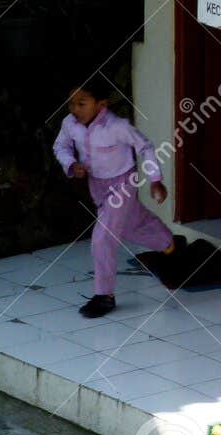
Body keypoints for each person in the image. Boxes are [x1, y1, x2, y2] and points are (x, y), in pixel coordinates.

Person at [52, 74, 178, 319]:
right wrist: (70, 164)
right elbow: (61, 146)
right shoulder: (69, 124)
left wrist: (155, 180)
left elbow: (145, 147)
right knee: (133, 224)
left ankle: (104, 296)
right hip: (96, 185)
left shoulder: (117, 127)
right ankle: (170, 246)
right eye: (72, 103)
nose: (74, 109)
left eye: (82, 103)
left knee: (103, 237)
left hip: (123, 184)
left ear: (101, 105)